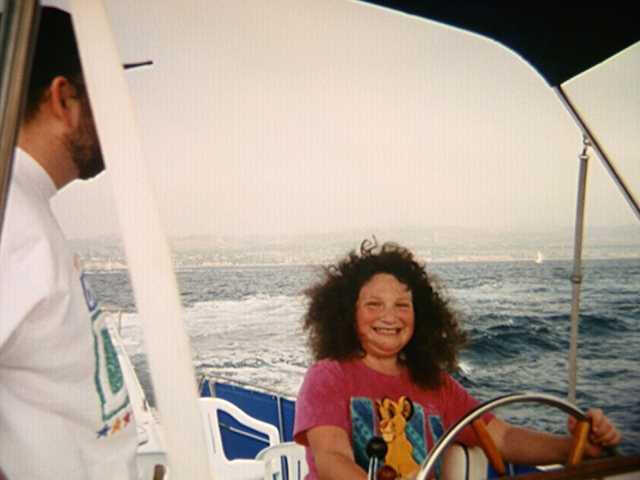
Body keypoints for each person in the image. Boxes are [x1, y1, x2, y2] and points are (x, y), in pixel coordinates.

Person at [293, 240, 621, 479]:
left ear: (421, 315)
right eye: (373, 305)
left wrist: (574, 447)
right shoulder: (328, 376)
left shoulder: (436, 384)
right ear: (347, 313)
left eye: (402, 305)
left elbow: (501, 438)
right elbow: (331, 458)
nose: (390, 316)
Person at [0, 7, 139, 479]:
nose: (120, 115)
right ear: (64, 98)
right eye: (108, 94)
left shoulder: (24, 205)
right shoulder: (10, 221)